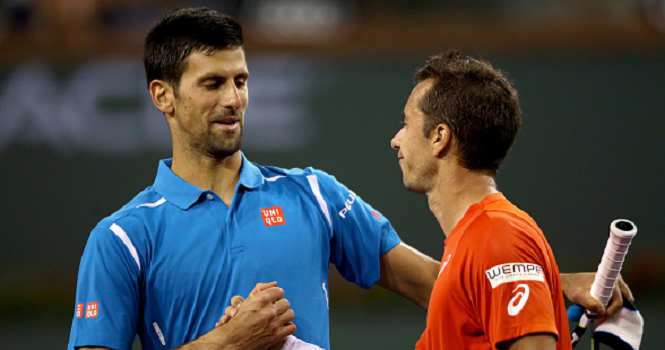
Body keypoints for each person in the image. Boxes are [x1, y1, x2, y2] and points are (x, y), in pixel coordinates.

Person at [68, 8, 632, 350]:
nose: (234, 99)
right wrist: (227, 344)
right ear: (162, 96)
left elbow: (441, 286)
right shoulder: (121, 240)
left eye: (241, 80)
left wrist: (548, 283)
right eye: (212, 84)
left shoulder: (313, 195)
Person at [389, 50, 570, 349]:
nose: (396, 139)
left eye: (407, 123)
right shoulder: (477, 240)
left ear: (439, 138)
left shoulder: (497, 237)